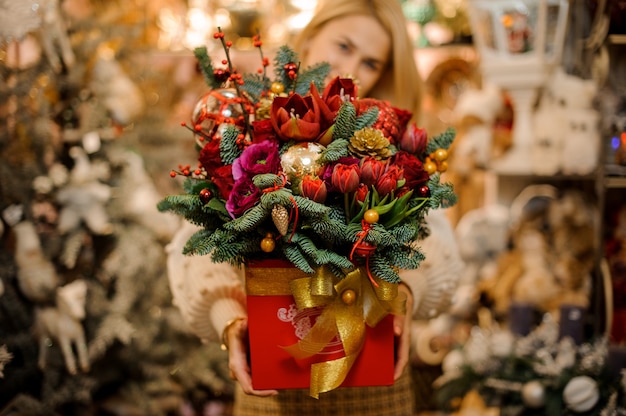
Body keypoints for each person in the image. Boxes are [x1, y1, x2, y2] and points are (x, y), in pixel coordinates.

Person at [166, 1, 460, 414]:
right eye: (343, 46)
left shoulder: (389, 148)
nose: (352, 69)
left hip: (375, 390)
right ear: (309, 37)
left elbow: (436, 242)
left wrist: (406, 293)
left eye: (371, 61)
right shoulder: (250, 126)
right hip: (270, 389)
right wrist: (228, 320)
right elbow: (198, 240)